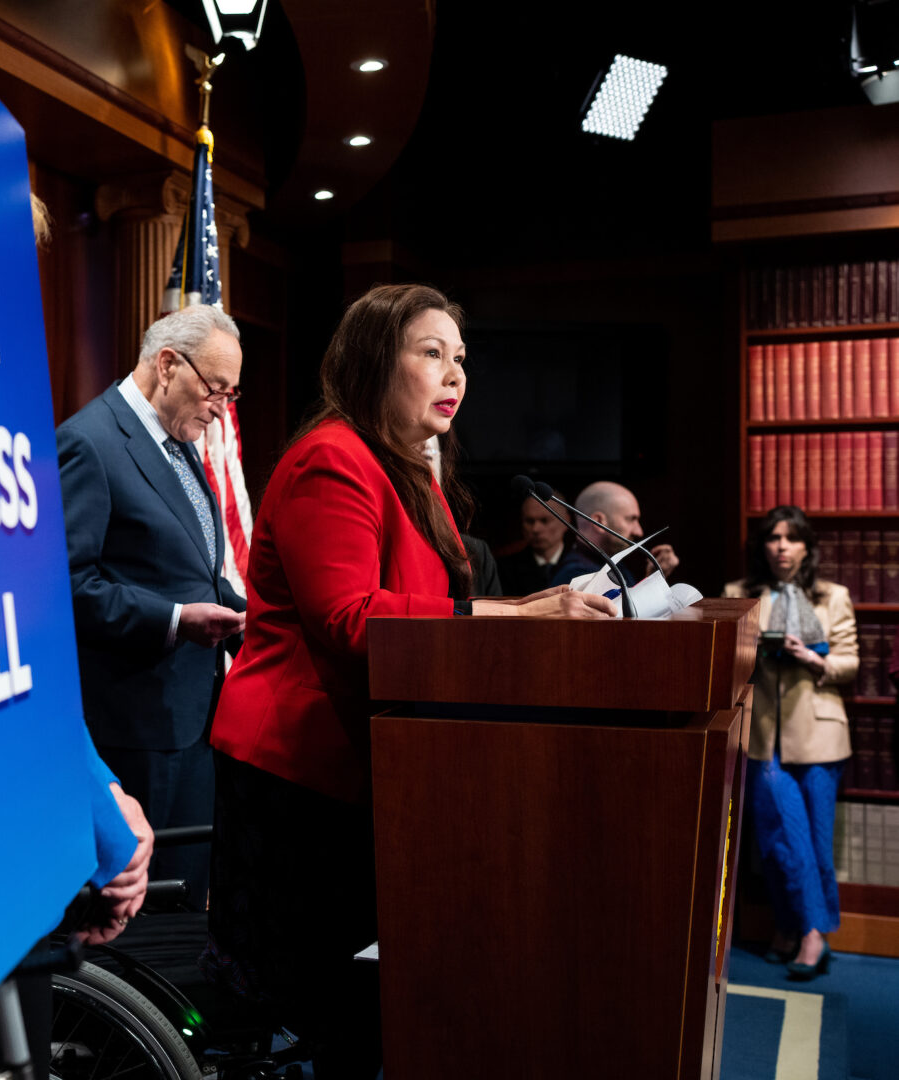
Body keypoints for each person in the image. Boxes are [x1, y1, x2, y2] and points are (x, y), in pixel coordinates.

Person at [206, 284, 613, 1075]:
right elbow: (353, 618)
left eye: (461, 358)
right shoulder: (333, 458)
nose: (454, 374)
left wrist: (526, 606)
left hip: (367, 762)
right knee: (306, 1000)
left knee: (354, 1001)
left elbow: (436, 601)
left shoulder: (410, 470)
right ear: (371, 361)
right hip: (296, 766)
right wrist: (517, 619)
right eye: (431, 353)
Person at [56, 303, 248, 911]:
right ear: (167, 364)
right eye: (215, 389)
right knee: (143, 916)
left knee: (187, 898)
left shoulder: (178, 439)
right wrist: (173, 620)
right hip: (132, 729)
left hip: (193, 717)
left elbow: (189, 566)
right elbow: (68, 583)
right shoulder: (89, 441)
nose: (222, 408)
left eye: (230, 393)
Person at [723, 506, 856, 980]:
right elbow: (725, 662)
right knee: (779, 841)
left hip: (820, 735)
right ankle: (799, 928)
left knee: (815, 842)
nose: (781, 546)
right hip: (763, 738)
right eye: (773, 537)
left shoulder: (832, 596)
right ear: (762, 547)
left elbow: (849, 662)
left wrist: (812, 657)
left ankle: (805, 933)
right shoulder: (739, 595)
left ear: (806, 546)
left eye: (791, 538)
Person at [549, 480, 680, 588]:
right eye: (631, 519)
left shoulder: (610, 564)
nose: (638, 531)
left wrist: (652, 577)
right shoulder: (577, 576)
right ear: (598, 522)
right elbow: (628, 618)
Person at [498, 493, 570, 596]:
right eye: (529, 521)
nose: (535, 529)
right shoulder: (504, 569)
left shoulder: (584, 564)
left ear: (566, 521)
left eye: (544, 520)